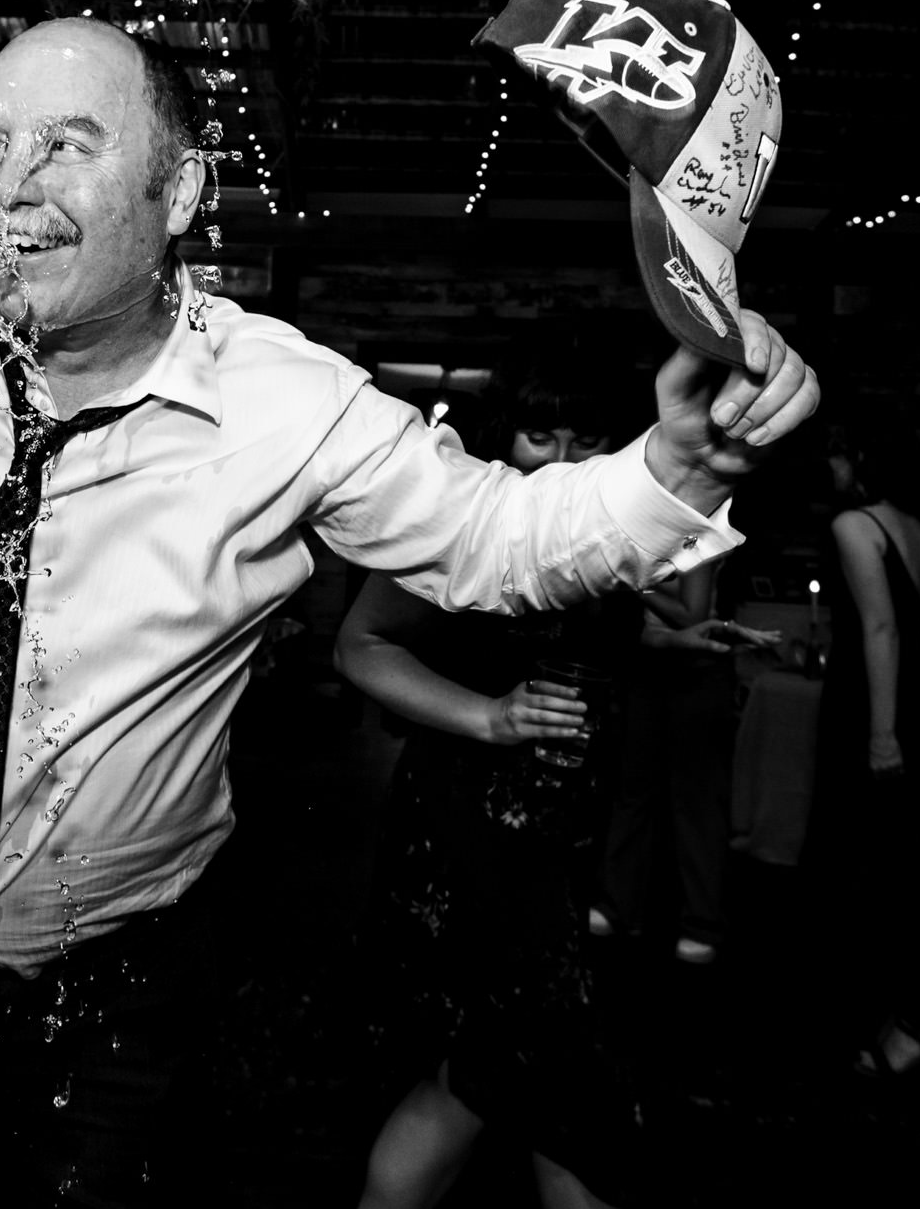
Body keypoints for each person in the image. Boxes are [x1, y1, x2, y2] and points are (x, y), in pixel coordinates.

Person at [0, 9, 818, 1204]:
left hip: (108, 1014)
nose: (9, 185)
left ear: (181, 190)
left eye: (67, 142)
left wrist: (679, 469)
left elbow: (502, 539)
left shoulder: (285, 404)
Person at [335, 360, 645, 1209]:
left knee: (508, 1068)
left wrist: (669, 644)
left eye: (587, 441)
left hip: (555, 830)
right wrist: (491, 717)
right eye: (538, 435)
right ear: (503, 435)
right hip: (469, 822)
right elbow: (360, 646)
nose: (560, 458)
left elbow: (563, 641)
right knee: (538, 1065)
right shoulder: (466, 519)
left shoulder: (600, 523)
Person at [801, 423, 920, 1077]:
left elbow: (881, 627)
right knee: (895, 860)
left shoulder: (854, 524)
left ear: (858, 460)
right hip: (919, 697)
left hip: (878, 703)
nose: (828, 465)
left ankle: (874, 1027)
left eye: (835, 453)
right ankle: (907, 1020)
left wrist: (882, 731)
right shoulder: (913, 527)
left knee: (856, 864)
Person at [595, 556, 780, 966]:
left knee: (696, 800)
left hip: (699, 666)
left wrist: (630, 584)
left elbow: (691, 613)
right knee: (633, 790)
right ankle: (618, 907)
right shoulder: (647, 519)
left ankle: (702, 923)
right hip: (647, 659)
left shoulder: (699, 527)